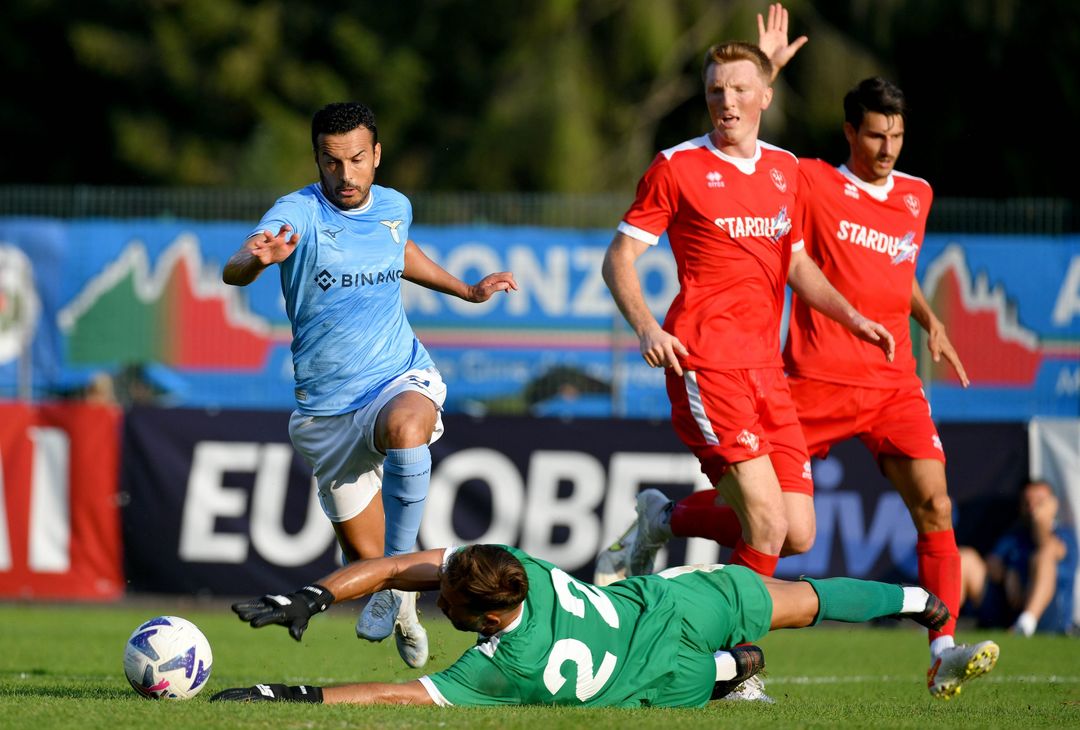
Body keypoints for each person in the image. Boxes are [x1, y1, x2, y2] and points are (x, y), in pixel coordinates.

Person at [595, 3, 998, 700]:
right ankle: (734, 668)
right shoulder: (677, 167)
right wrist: (646, 327)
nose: (727, 101)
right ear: (704, 97)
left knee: (799, 533)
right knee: (769, 523)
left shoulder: (782, 170)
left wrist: (856, 316)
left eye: (740, 89)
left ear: (764, 96)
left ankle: (665, 517)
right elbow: (618, 259)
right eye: (716, 90)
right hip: (707, 364)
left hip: (769, 373)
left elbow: (797, 264)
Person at [222, 102, 517, 669]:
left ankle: (397, 587)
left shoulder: (394, 206)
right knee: (368, 556)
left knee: (409, 427)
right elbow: (237, 264)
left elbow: (398, 251)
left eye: (358, 159)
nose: (347, 175)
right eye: (332, 163)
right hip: (327, 414)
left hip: (395, 374)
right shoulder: (298, 213)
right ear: (317, 161)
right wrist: (255, 261)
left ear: (377, 155)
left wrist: (467, 291)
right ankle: (400, 600)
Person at [210, 543, 950, 707]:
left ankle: (734, 671)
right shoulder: (516, 564)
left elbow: (395, 696)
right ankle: (922, 604)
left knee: (716, 676)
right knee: (806, 599)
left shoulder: (503, 664)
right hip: (673, 604)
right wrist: (315, 593)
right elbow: (405, 565)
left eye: (454, 610)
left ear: (490, 617)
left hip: (664, 676)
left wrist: (289, 695)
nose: (443, 607)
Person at [961, 479, 1078, 636]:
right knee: (965, 557)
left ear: (1053, 505)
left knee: (1042, 557)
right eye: (1027, 502)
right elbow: (992, 561)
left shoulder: (1064, 535)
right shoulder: (1014, 535)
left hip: (1049, 620)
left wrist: (1040, 521)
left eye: (1039, 501)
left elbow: (1048, 549)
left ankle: (1026, 624)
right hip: (1008, 611)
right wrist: (1008, 573)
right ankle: (939, 625)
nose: (1032, 507)